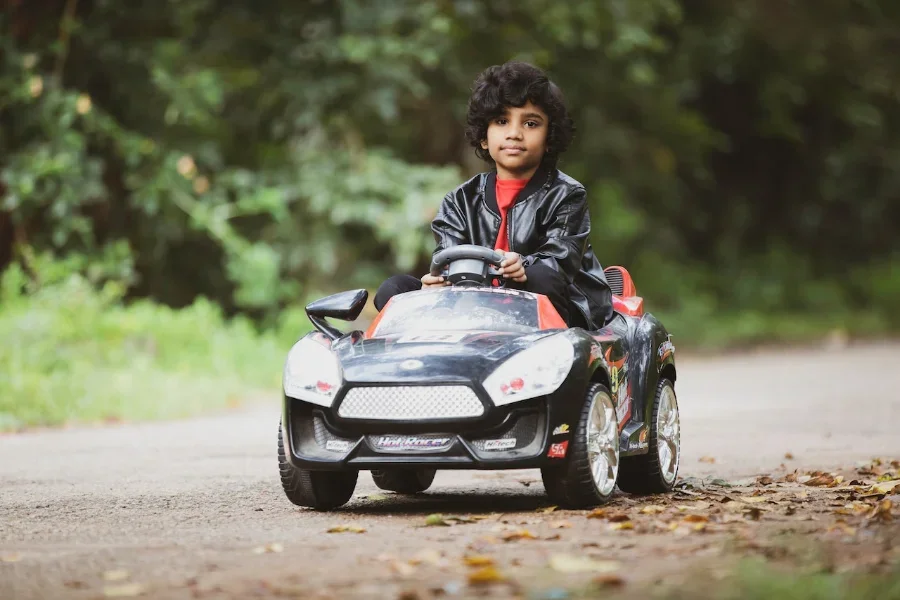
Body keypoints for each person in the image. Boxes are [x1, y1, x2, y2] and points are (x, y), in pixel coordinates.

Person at [374, 60, 613, 329]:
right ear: (484, 137)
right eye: (501, 121)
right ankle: (420, 348)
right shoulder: (460, 200)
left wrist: (522, 264)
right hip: (476, 305)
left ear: (549, 138)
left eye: (530, 123)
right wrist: (437, 281)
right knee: (394, 289)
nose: (514, 134)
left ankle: (549, 347)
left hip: (557, 307)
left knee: (541, 277)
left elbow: (559, 261)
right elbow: (447, 259)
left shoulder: (566, 194)